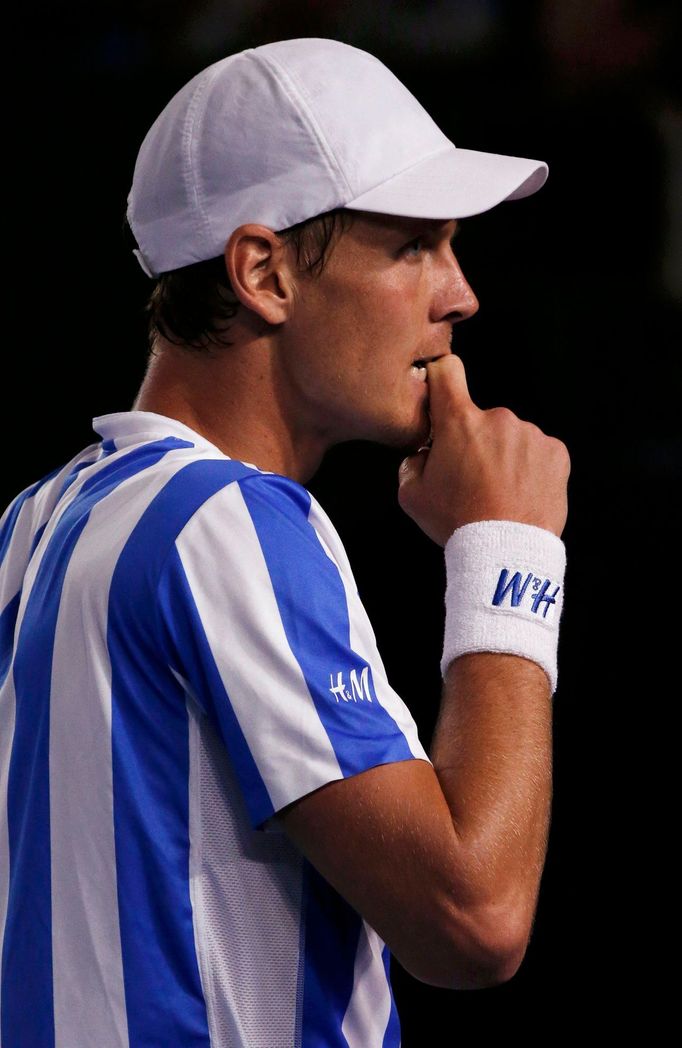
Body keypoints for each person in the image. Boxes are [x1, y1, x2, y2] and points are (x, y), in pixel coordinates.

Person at [0, 37, 570, 1048]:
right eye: (411, 246)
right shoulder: (227, 522)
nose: (460, 294)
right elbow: (474, 920)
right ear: (263, 271)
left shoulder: (41, 519)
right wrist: (506, 551)